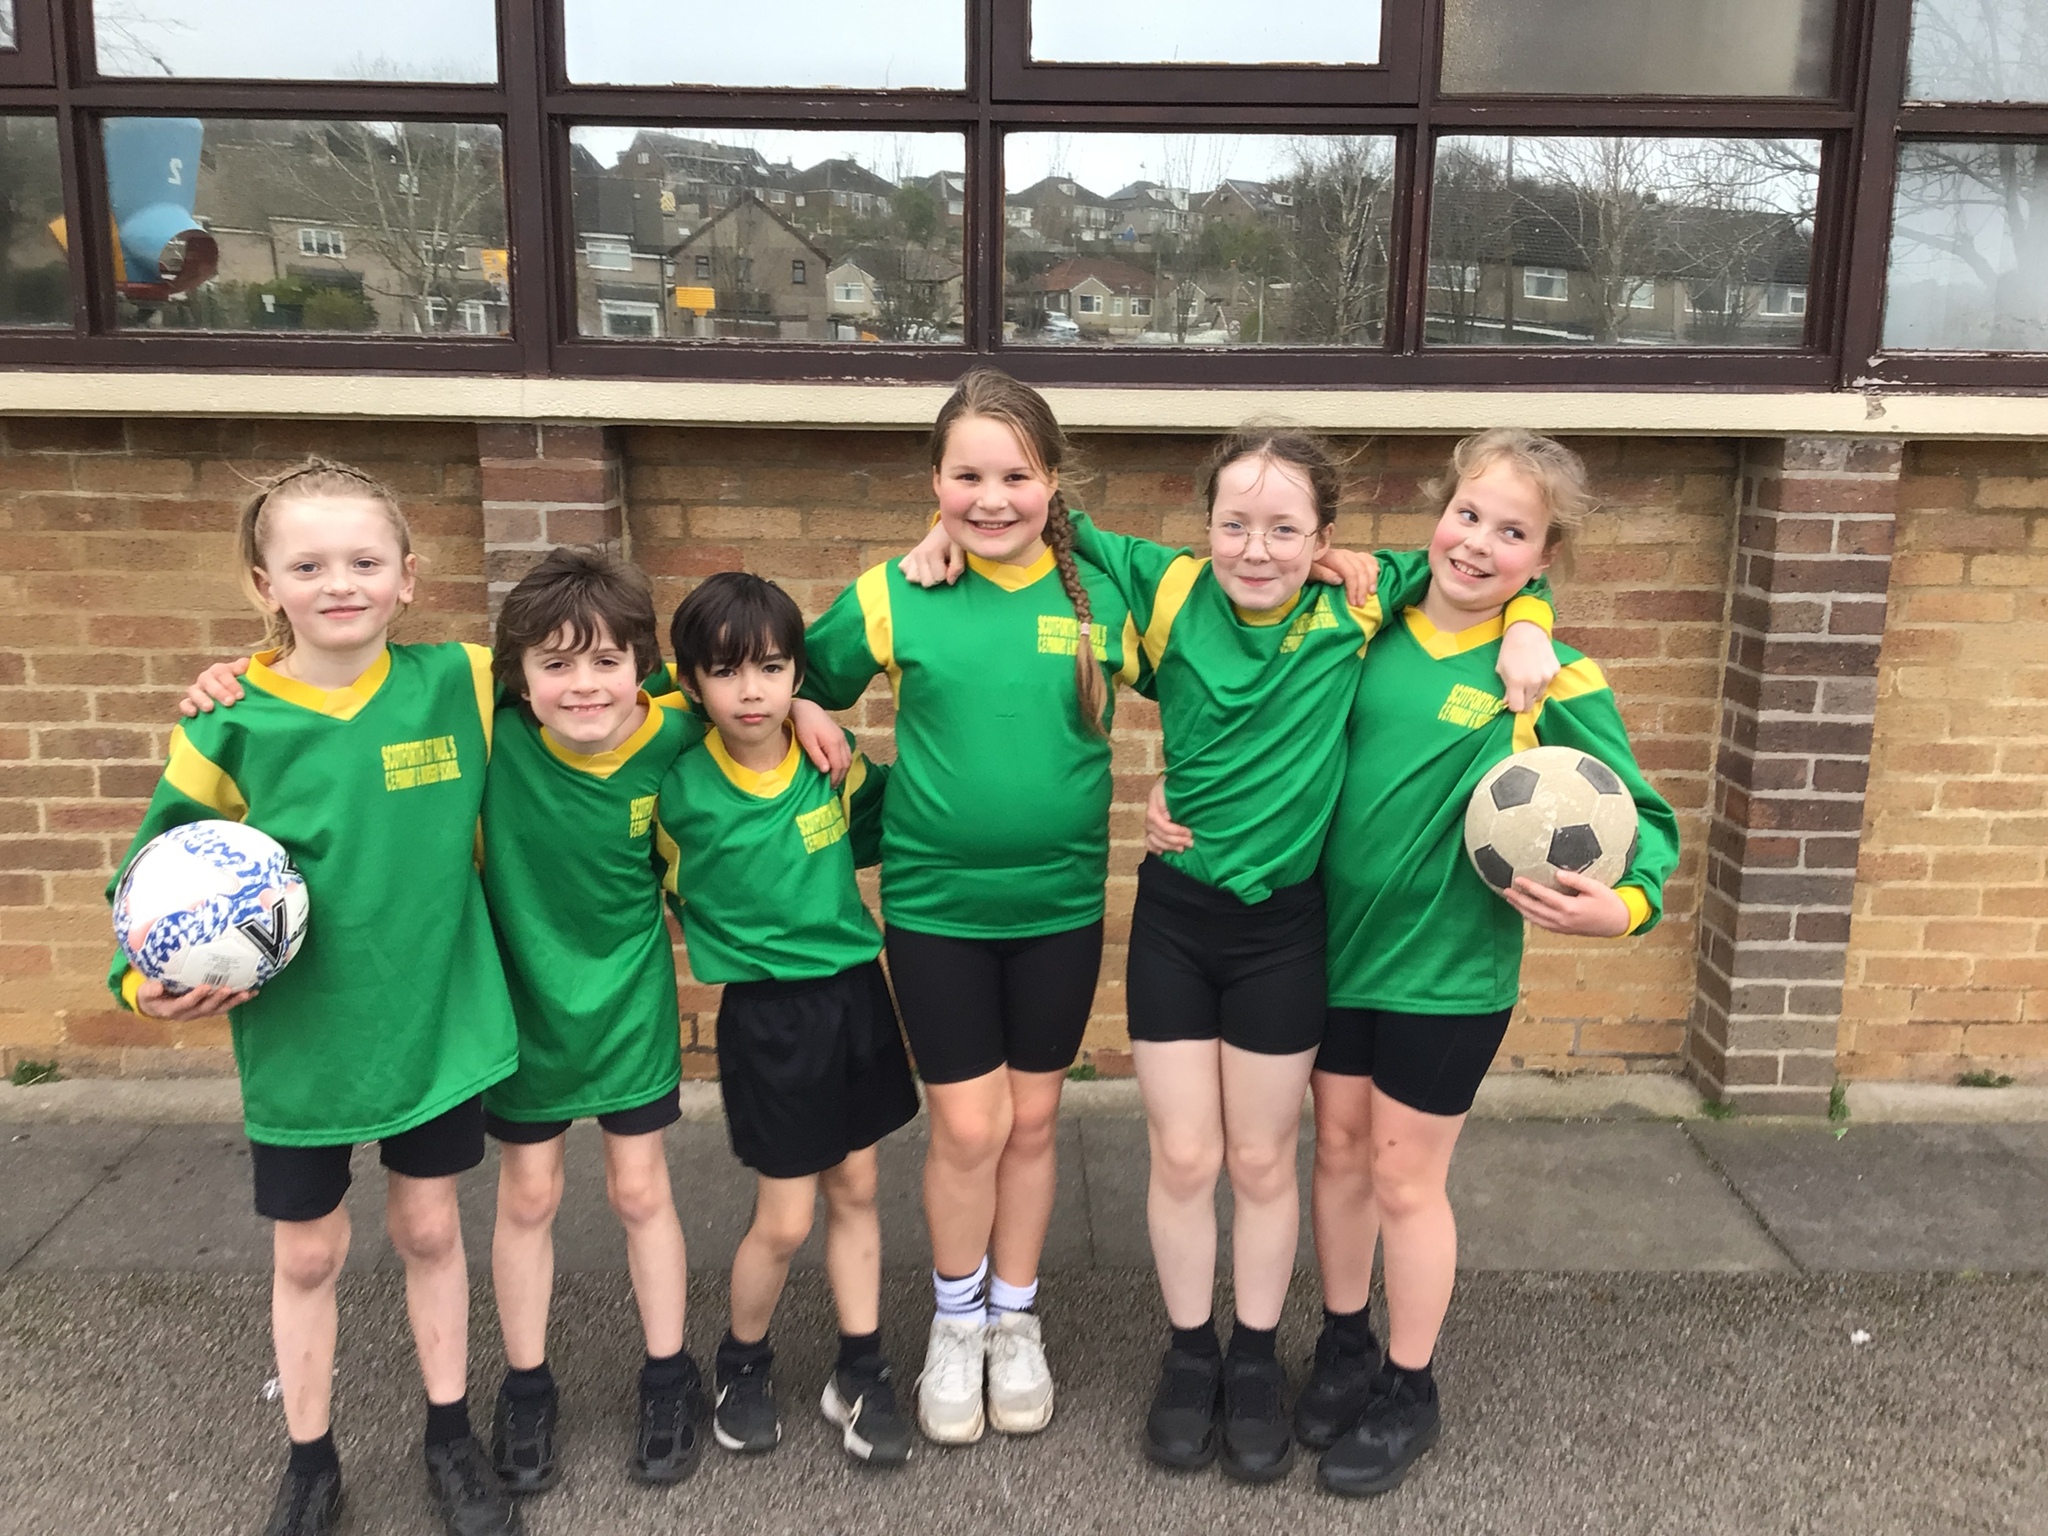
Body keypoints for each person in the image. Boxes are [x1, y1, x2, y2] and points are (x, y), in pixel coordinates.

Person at [905, 425, 1558, 1482]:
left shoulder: (1359, 600)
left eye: (1285, 529)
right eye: (1234, 525)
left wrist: (1532, 620)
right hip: (1176, 920)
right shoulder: (1165, 586)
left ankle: (1254, 1357)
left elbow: (1487, 566)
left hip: (1284, 932)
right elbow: (1024, 513)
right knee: (1182, 1156)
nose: (1256, 549)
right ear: (1203, 524)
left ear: (1325, 539)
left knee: (1259, 1160)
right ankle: (1190, 1354)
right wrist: (934, 532)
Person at [174, 549, 852, 1500]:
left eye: (608, 662)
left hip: (626, 1001)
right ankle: (526, 1386)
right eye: (556, 665)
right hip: (521, 1000)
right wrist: (241, 672)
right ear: (518, 678)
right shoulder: (488, 728)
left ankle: (668, 1376)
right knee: (528, 1196)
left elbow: (742, 691)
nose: (584, 684)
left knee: (641, 1190)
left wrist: (809, 705)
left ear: (643, 668)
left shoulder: (672, 731)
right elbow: (354, 681)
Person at [1156, 429, 1680, 1496]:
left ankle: (1409, 1386)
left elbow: (1648, 819)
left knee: (1403, 1176)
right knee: (1337, 1159)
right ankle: (1344, 1341)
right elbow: (1269, 722)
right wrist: (1185, 790)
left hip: (1446, 973)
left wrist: (1622, 907)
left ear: (1545, 556)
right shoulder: (1367, 624)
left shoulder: (1548, 676)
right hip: (1329, 951)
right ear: (1438, 515)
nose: (1479, 543)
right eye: (1467, 514)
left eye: (1514, 533)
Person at [108, 459, 523, 1536]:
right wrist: (139, 981)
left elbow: (613, 679)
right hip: (304, 1037)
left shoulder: (464, 680)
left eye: (364, 561)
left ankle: (449, 1436)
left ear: (407, 577)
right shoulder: (227, 723)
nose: (339, 583)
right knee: (308, 1251)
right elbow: (147, 878)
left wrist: (796, 697)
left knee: (429, 1227)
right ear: (265, 585)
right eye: (308, 566)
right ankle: (309, 1459)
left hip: (434, 1018)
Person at [798, 369, 1143, 1444]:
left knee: (1032, 1121)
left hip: (1059, 905)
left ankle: (1013, 1319)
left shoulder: (1107, 595)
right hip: (937, 906)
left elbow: (1232, 668)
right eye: (966, 477)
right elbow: (776, 677)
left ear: (1053, 482)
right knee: (965, 1123)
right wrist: (806, 709)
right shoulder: (894, 592)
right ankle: (954, 1321)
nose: (990, 499)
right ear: (934, 483)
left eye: (1015, 476)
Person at [655, 571, 920, 1466]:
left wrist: (812, 712)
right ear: (691, 682)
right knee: (785, 1220)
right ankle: (742, 1363)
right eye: (726, 671)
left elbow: (911, 811)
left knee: (858, 1192)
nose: (752, 690)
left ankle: (861, 1370)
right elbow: (618, 704)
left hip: (855, 996)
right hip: (767, 1017)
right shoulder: (676, 786)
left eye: (772, 670)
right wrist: (770, 701)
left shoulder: (830, 763)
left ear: (798, 673)